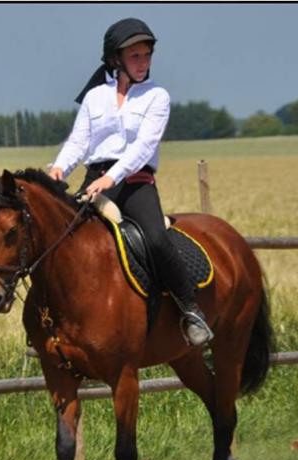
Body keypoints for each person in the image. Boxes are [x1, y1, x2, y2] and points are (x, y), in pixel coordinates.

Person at [49, 17, 213, 346]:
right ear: (116, 59)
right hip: (95, 180)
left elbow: (143, 148)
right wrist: (58, 169)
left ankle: (190, 309)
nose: (143, 62)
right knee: (56, 238)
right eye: (135, 56)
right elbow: (79, 142)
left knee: (155, 238)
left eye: (147, 55)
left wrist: (112, 178)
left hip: (135, 183)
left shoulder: (157, 97)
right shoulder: (95, 97)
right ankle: (49, 319)